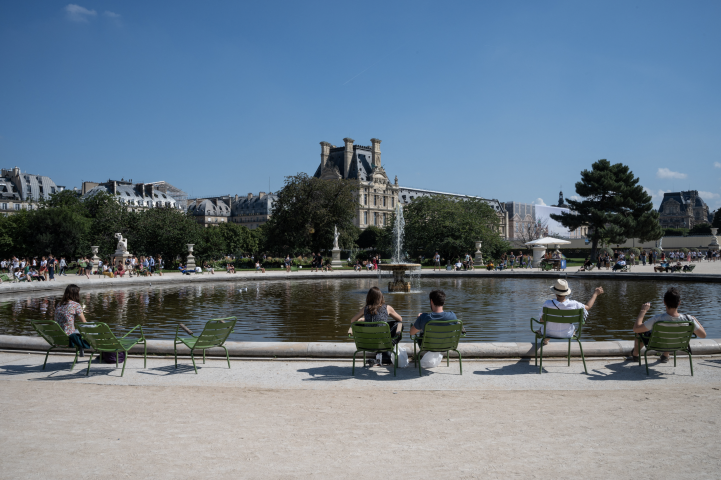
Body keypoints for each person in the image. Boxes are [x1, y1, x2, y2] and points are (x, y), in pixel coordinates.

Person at [628, 287, 706, 362]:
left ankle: (635, 354)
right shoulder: (688, 319)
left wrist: (643, 311)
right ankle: (665, 356)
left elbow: (636, 329)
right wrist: (694, 319)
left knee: (640, 333)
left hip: (657, 346)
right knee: (671, 334)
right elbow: (703, 335)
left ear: (664, 302)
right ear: (679, 303)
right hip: (677, 346)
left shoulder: (657, 319)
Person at [535, 279, 604, 346]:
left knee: (546, 326)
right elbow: (588, 307)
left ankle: (546, 340)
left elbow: (542, 321)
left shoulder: (547, 304)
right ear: (566, 293)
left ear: (555, 293)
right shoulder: (574, 304)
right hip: (567, 333)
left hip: (548, 333)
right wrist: (595, 294)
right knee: (569, 327)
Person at [348, 286, 404, 366]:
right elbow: (400, 319)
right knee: (399, 324)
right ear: (381, 297)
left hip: (367, 343)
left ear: (369, 297)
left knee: (359, 324)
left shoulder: (365, 308)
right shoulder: (387, 308)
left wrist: (363, 319)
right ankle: (390, 344)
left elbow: (352, 321)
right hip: (382, 341)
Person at [55, 284, 90, 356]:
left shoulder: (59, 304)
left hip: (58, 337)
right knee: (96, 331)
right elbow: (85, 323)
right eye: (78, 293)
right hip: (69, 337)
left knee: (78, 330)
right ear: (75, 294)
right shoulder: (76, 305)